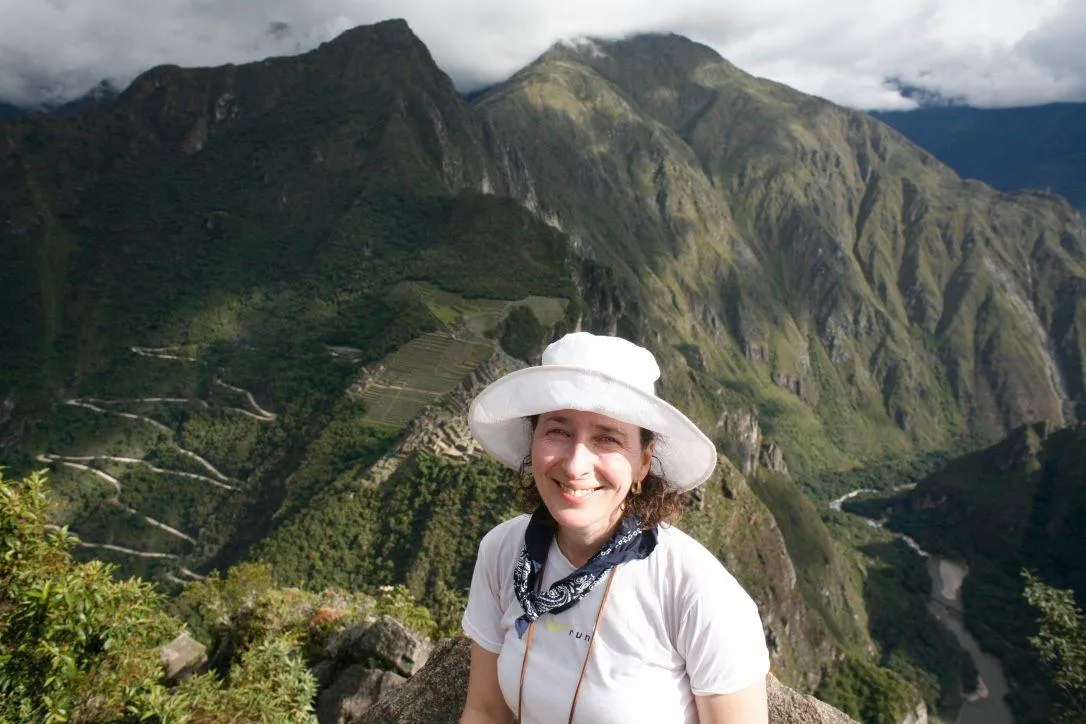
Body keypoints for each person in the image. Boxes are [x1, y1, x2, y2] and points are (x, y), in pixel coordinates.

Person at [459, 332, 770, 724]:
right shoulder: (503, 553)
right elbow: (485, 712)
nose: (575, 466)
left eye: (607, 438)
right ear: (532, 439)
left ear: (643, 462)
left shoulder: (696, 592)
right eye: (558, 430)